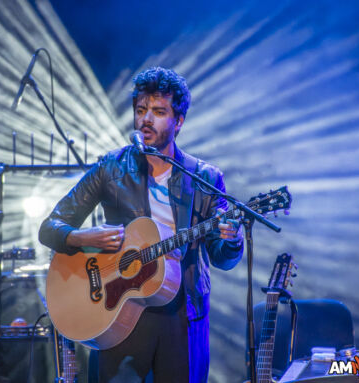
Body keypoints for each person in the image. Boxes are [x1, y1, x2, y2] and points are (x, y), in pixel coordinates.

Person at [39, 67, 243, 383]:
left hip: (183, 314)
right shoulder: (111, 168)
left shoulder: (205, 178)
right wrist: (82, 237)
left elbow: (222, 258)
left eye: (159, 112)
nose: (146, 119)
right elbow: (51, 226)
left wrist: (232, 239)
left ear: (179, 121)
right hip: (118, 306)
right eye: (141, 110)